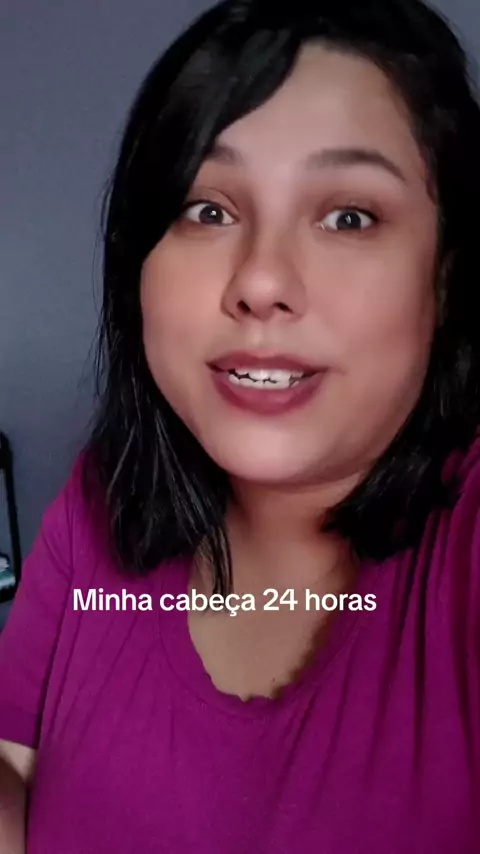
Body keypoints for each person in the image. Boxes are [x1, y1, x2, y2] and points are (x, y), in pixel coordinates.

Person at [1, 0, 480, 850]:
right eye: (208, 209)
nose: (260, 281)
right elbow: (16, 771)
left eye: (349, 216)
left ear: (445, 277)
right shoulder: (103, 496)